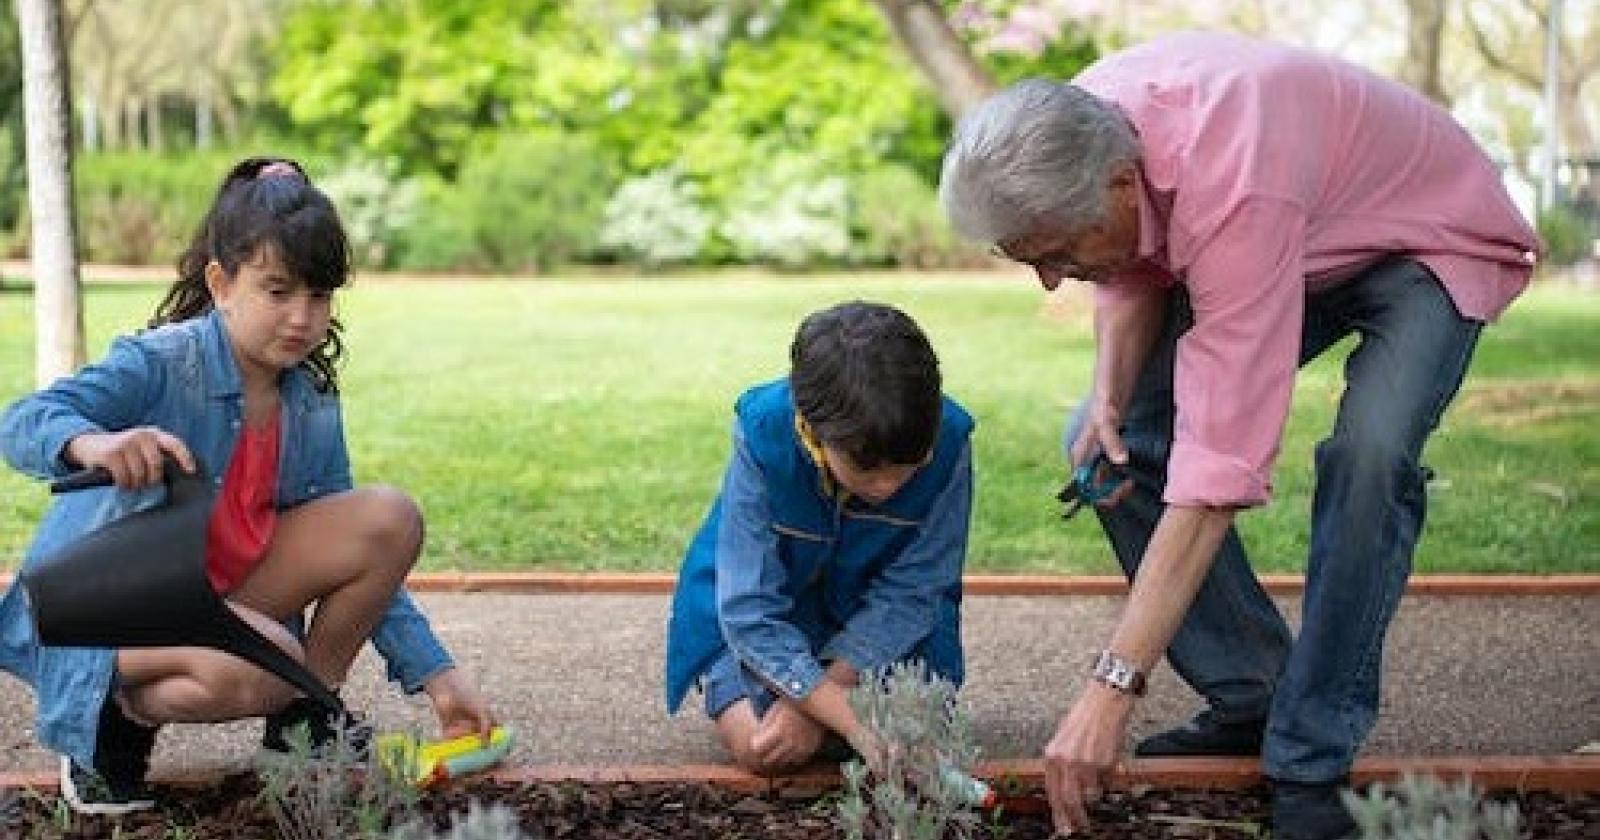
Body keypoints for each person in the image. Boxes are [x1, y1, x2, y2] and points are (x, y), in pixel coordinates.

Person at [937, 32, 1538, 840]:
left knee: (1370, 458)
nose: (1049, 279)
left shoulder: (1233, 175)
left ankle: (1310, 757)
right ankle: (1255, 693)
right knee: (1105, 438)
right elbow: (1133, 256)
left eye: (1054, 254)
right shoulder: (1078, 124)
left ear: (1119, 181)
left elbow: (1217, 469)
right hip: (1303, 230)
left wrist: (1110, 689)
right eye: (1026, 260)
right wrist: (1110, 393)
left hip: (1424, 238)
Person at [0, 157, 495, 816]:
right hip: (108, 611)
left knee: (388, 518)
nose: (301, 317)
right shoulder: (161, 362)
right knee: (262, 664)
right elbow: (22, 422)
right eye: (278, 290)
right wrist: (94, 442)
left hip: (223, 594)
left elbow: (356, 551)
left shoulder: (309, 399)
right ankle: (109, 725)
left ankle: (305, 721)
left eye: (318, 296)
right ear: (221, 283)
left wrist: (436, 675)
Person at [664, 301, 975, 775]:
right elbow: (749, 608)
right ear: (813, 429)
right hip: (765, 619)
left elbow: (914, 593)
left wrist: (814, 699)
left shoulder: (951, 441)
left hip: (888, 630)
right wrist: (846, 718)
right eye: (866, 468)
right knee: (761, 750)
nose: (888, 486)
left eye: (910, 465)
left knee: (910, 738)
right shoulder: (763, 432)